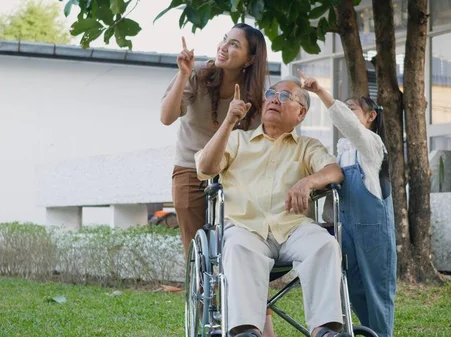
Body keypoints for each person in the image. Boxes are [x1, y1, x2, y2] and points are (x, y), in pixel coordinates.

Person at [195, 78, 351, 337]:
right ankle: (246, 331)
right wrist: (229, 121)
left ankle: (325, 330)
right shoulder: (237, 140)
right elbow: (206, 168)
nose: (274, 99)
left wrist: (308, 181)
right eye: (270, 93)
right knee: (237, 247)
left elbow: (334, 172)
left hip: (293, 229)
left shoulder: (307, 146)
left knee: (325, 245)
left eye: (285, 96)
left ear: (301, 113)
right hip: (246, 228)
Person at [160, 23, 276, 337]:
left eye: (235, 44)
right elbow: (167, 116)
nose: (224, 46)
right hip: (189, 171)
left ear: (250, 59)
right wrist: (183, 73)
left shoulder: (257, 97)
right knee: (199, 258)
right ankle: (204, 322)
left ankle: (261, 324)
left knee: (246, 248)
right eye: (224, 40)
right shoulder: (197, 75)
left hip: (233, 177)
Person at [298, 70, 397, 337]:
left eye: (351, 108)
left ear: (371, 116)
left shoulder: (372, 146)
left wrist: (320, 92)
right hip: (346, 230)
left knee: (377, 290)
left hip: (372, 230)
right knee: (352, 288)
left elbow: (351, 127)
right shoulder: (342, 152)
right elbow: (335, 190)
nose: (345, 113)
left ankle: (381, 334)